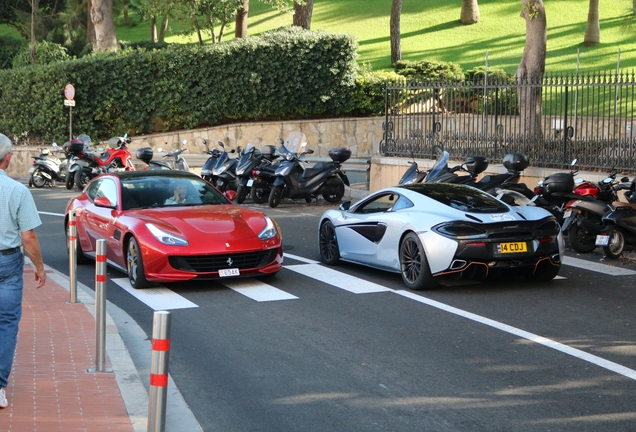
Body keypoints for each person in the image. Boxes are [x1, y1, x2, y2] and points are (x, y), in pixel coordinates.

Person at [0, 133, 46, 409]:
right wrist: (39, 266)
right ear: (7, 159)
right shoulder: (17, 191)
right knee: (6, 324)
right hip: (7, 263)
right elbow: (28, 236)